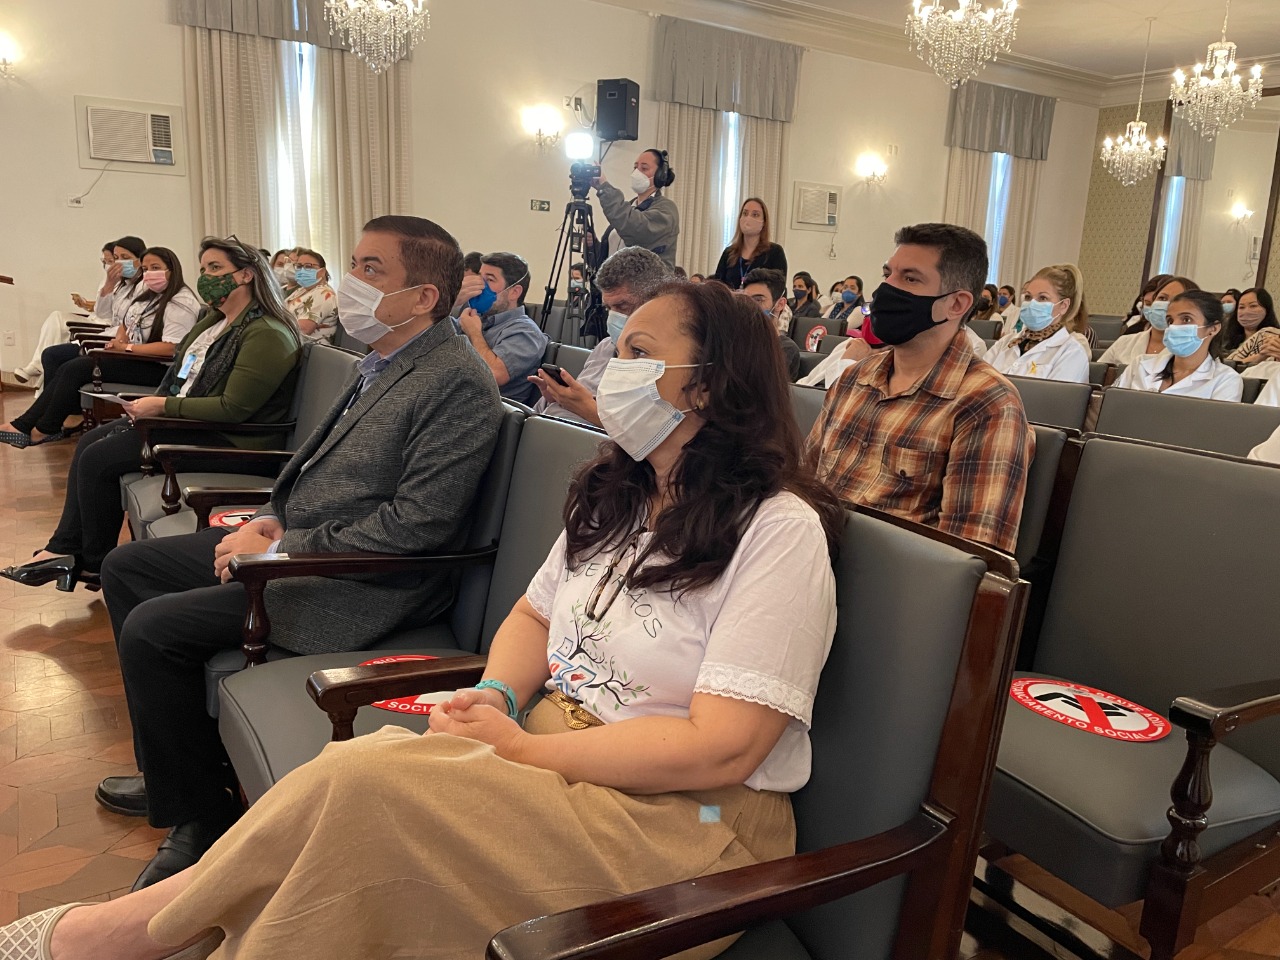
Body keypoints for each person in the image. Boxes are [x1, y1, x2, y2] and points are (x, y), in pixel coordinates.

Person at [0, 280, 843, 960]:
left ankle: (121, 937)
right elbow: (531, 615)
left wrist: (525, 748)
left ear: (710, 383)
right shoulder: (622, 493)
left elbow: (724, 748)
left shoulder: (777, 530)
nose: (610, 371)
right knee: (357, 780)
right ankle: (147, 936)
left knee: (366, 790)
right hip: (560, 759)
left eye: (638, 354)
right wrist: (498, 698)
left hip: (686, 824)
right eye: (615, 349)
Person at [90, 215, 505, 892]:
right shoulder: (383, 360)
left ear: (424, 296)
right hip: (298, 541)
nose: (350, 280)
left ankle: (201, 817)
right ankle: (181, 770)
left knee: (154, 630)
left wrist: (284, 547)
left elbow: (418, 526)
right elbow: (315, 470)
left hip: (358, 581)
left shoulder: (454, 380)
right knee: (128, 567)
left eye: (371, 269)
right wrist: (269, 520)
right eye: (354, 263)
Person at [0, 238, 304, 592]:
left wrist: (161, 407)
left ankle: (91, 562)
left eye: (216, 268)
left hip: (237, 441)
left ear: (246, 275)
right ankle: (65, 550)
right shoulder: (215, 321)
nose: (206, 277)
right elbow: (181, 378)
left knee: (99, 457)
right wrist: (154, 404)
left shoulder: (267, 333)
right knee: (91, 442)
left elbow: (233, 408)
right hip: (194, 423)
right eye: (203, 268)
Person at [808, 223, 1034, 554]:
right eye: (888, 274)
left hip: (884, 577)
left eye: (910, 279)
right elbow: (804, 485)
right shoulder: (854, 379)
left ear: (956, 304)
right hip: (810, 557)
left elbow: (966, 557)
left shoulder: (987, 403)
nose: (886, 289)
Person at [0, 247, 202, 446]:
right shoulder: (149, 295)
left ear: (172, 270)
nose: (149, 273)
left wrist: (127, 349)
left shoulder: (181, 302)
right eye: (145, 269)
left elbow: (171, 348)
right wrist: (120, 341)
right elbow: (127, 322)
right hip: (136, 359)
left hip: (159, 369)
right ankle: (28, 425)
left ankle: (42, 428)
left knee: (76, 368)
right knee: (68, 366)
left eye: (155, 267)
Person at [529, 246, 670, 426]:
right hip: (546, 425)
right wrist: (558, 397)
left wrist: (587, 409)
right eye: (608, 308)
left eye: (622, 306)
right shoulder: (605, 346)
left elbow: (647, 434)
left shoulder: (669, 359)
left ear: (655, 301)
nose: (613, 317)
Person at [11, 241, 116, 386]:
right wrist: (85, 304)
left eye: (110, 261)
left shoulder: (123, 283)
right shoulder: (107, 279)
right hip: (94, 320)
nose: (106, 265)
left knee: (58, 322)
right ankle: (39, 366)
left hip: (104, 327)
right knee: (56, 318)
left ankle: (38, 366)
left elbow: (111, 309)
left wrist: (89, 305)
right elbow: (102, 306)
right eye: (104, 261)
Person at [1113, 290, 1242, 401]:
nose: (1174, 326)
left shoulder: (1226, 380)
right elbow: (1112, 407)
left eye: (1186, 319)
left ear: (1213, 329)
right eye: (1170, 321)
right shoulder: (1140, 365)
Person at [456, 252, 549, 406]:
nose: (480, 285)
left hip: (484, 411)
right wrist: (451, 302)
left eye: (489, 279)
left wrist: (474, 333)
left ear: (514, 292)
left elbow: (494, 374)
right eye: (480, 277)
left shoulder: (526, 332)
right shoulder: (474, 318)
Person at [982, 264, 1090, 384]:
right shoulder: (1006, 342)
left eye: (1043, 298)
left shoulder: (1072, 352)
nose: (1032, 304)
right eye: (1028, 297)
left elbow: (1055, 395)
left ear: (1063, 306)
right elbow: (976, 379)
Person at [593, 148, 680, 267]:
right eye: (635, 167)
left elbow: (635, 229)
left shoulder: (666, 209)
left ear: (660, 175)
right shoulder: (630, 207)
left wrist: (605, 188)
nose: (636, 173)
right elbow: (609, 258)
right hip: (618, 279)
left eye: (644, 168)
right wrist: (591, 245)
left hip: (648, 279)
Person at [1099, 276, 1198, 366]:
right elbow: (1099, 373)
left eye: (1175, 300)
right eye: (1162, 298)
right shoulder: (1124, 342)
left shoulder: (1192, 350)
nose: (1165, 305)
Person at [740, 268, 802, 380]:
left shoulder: (785, 348)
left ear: (780, 304)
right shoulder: (737, 343)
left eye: (758, 300)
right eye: (747, 300)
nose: (750, 306)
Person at [711, 197, 787, 288]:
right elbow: (716, 287)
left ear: (764, 222)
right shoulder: (729, 253)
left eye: (755, 215)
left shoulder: (775, 252)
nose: (748, 218)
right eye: (745, 213)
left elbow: (779, 288)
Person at [283, 247, 338, 343]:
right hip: (290, 342)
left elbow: (304, 329)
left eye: (308, 266)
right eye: (299, 266)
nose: (302, 270)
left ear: (322, 271)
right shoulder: (301, 291)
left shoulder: (324, 294)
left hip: (308, 349)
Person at [1224, 287, 1279, 368]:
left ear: (1266, 309)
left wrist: (1260, 356)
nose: (1246, 311)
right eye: (1241, 307)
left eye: (1253, 306)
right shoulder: (1225, 338)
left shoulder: (1271, 337)